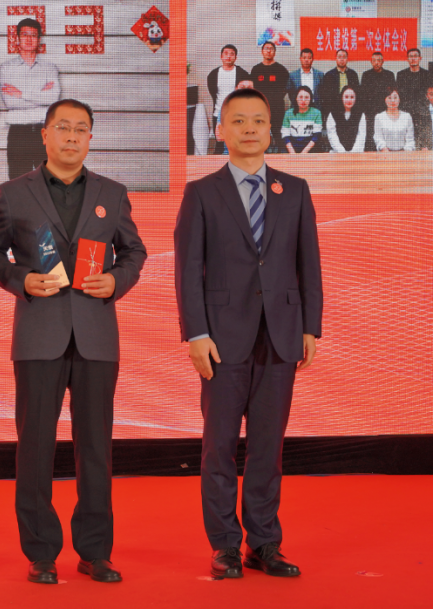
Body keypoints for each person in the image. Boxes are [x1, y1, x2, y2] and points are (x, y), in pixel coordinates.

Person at [0, 99, 146, 585]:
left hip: (96, 335)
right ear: (45, 134)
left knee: (95, 447)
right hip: (39, 334)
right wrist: (20, 280)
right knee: (34, 446)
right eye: (63, 128)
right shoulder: (13, 193)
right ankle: (40, 551)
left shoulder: (112, 193)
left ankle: (95, 551)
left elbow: (134, 252)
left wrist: (116, 281)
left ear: (90, 137)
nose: (72, 137)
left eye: (81, 129)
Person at [174, 86, 322, 581]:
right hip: (221, 338)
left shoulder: (294, 190)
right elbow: (187, 270)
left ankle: (264, 542)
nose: (249, 129)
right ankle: (224, 546)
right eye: (238, 121)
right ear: (221, 131)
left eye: (258, 120)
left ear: (272, 129)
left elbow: (308, 264)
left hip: (280, 335)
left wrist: (310, 327)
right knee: (218, 447)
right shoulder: (201, 192)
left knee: (267, 447)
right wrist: (196, 333)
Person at [0, 18, 59, 179]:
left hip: (44, 131)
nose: (29, 39)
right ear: (17, 38)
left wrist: (21, 93)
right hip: (19, 132)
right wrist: (40, 94)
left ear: (39, 39)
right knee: (18, 181)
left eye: (33, 35)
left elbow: (53, 98)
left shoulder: (49, 68)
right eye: (25, 35)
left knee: (48, 180)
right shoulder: (6, 68)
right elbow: (10, 102)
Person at [207, 45, 251, 155]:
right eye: (226, 53)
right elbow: (213, 92)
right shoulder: (213, 74)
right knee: (220, 143)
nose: (228, 56)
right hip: (218, 113)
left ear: (236, 57)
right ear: (221, 56)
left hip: (237, 114)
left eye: (232, 54)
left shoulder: (242, 73)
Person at [250, 42, 288, 151]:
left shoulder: (281, 70)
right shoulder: (256, 69)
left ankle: (281, 155)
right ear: (262, 51)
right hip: (260, 109)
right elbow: (253, 89)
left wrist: (275, 99)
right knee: (260, 133)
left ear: (274, 52)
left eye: (271, 49)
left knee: (278, 134)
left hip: (277, 108)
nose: (268, 51)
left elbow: (285, 89)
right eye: (266, 48)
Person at [360, 52, 394, 151]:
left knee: (385, 135)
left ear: (383, 62)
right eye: (374, 60)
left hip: (385, 111)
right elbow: (363, 96)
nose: (376, 63)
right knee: (371, 136)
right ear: (371, 62)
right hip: (370, 112)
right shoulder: (366, 75)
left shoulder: (389, 75)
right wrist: (365, 112)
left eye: (379, 60)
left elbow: (392, 94)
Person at [317, 49, 359, 119]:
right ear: (336, 59)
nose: (342, 59)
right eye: (339, 57)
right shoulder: (329, 75)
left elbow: (357, 93)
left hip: (349, 109)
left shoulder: (353, 74)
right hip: (333, 109)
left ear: (347, 59)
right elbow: (325, 97)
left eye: (344, 57)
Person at [280, 86, 322, 154]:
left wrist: (303, 153)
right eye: (300, 97)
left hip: (310, 148)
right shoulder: (288, 113)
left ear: (310, 99)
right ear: (296, 98)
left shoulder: (316, 113)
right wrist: (293, 153)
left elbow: (316, 136)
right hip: (292, 147)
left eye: (306, 97)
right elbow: (285, 135)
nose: (303, 100)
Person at [325, 86, 365, 153]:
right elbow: (332, 135)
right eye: (346, 97)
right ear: (341, 98)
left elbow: (361, 135)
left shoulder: (360, 114)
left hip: (356, 153)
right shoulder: (333, 114)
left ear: (355, 98)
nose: (349, 100)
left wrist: (353, 152)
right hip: (337, 152)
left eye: (352, 97)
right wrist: (342, 152)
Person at [373, 87, 416, 152]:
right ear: (385, 99)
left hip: (404, 154)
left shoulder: (407, 117)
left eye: (395, 98)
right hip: (385, 154)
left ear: (399, 99)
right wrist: (385, 151)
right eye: (389, 98)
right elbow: (378, 138)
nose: (393, 101)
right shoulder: (379, 117)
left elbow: (410, 140)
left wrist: (404, 152)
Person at [396, 48, 431, 121]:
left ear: (420, 58)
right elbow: (399, 94)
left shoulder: (427, 74)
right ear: (407, 59)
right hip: (405, 111)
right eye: (411, 56)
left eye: (415, 56)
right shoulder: (401, 75)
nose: (413, 59)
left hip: (422, 112)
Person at [415, 85, 433, 150]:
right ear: (427, 96)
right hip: (428, 149)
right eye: (431, 94)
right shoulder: (421, 113)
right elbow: (418, 133)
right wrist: (423, 146)